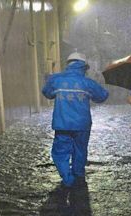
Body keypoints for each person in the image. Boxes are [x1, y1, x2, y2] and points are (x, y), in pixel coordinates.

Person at [42, 52, 109, 187]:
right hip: (82, 124)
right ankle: (79, 176)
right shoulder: (87, 83)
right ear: (84, 67)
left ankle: (67, 178)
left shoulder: (57, 80)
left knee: (60, 152)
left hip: (62, 124)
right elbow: (102, 96)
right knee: (80, 150)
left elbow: (47, 93)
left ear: (68, 64)